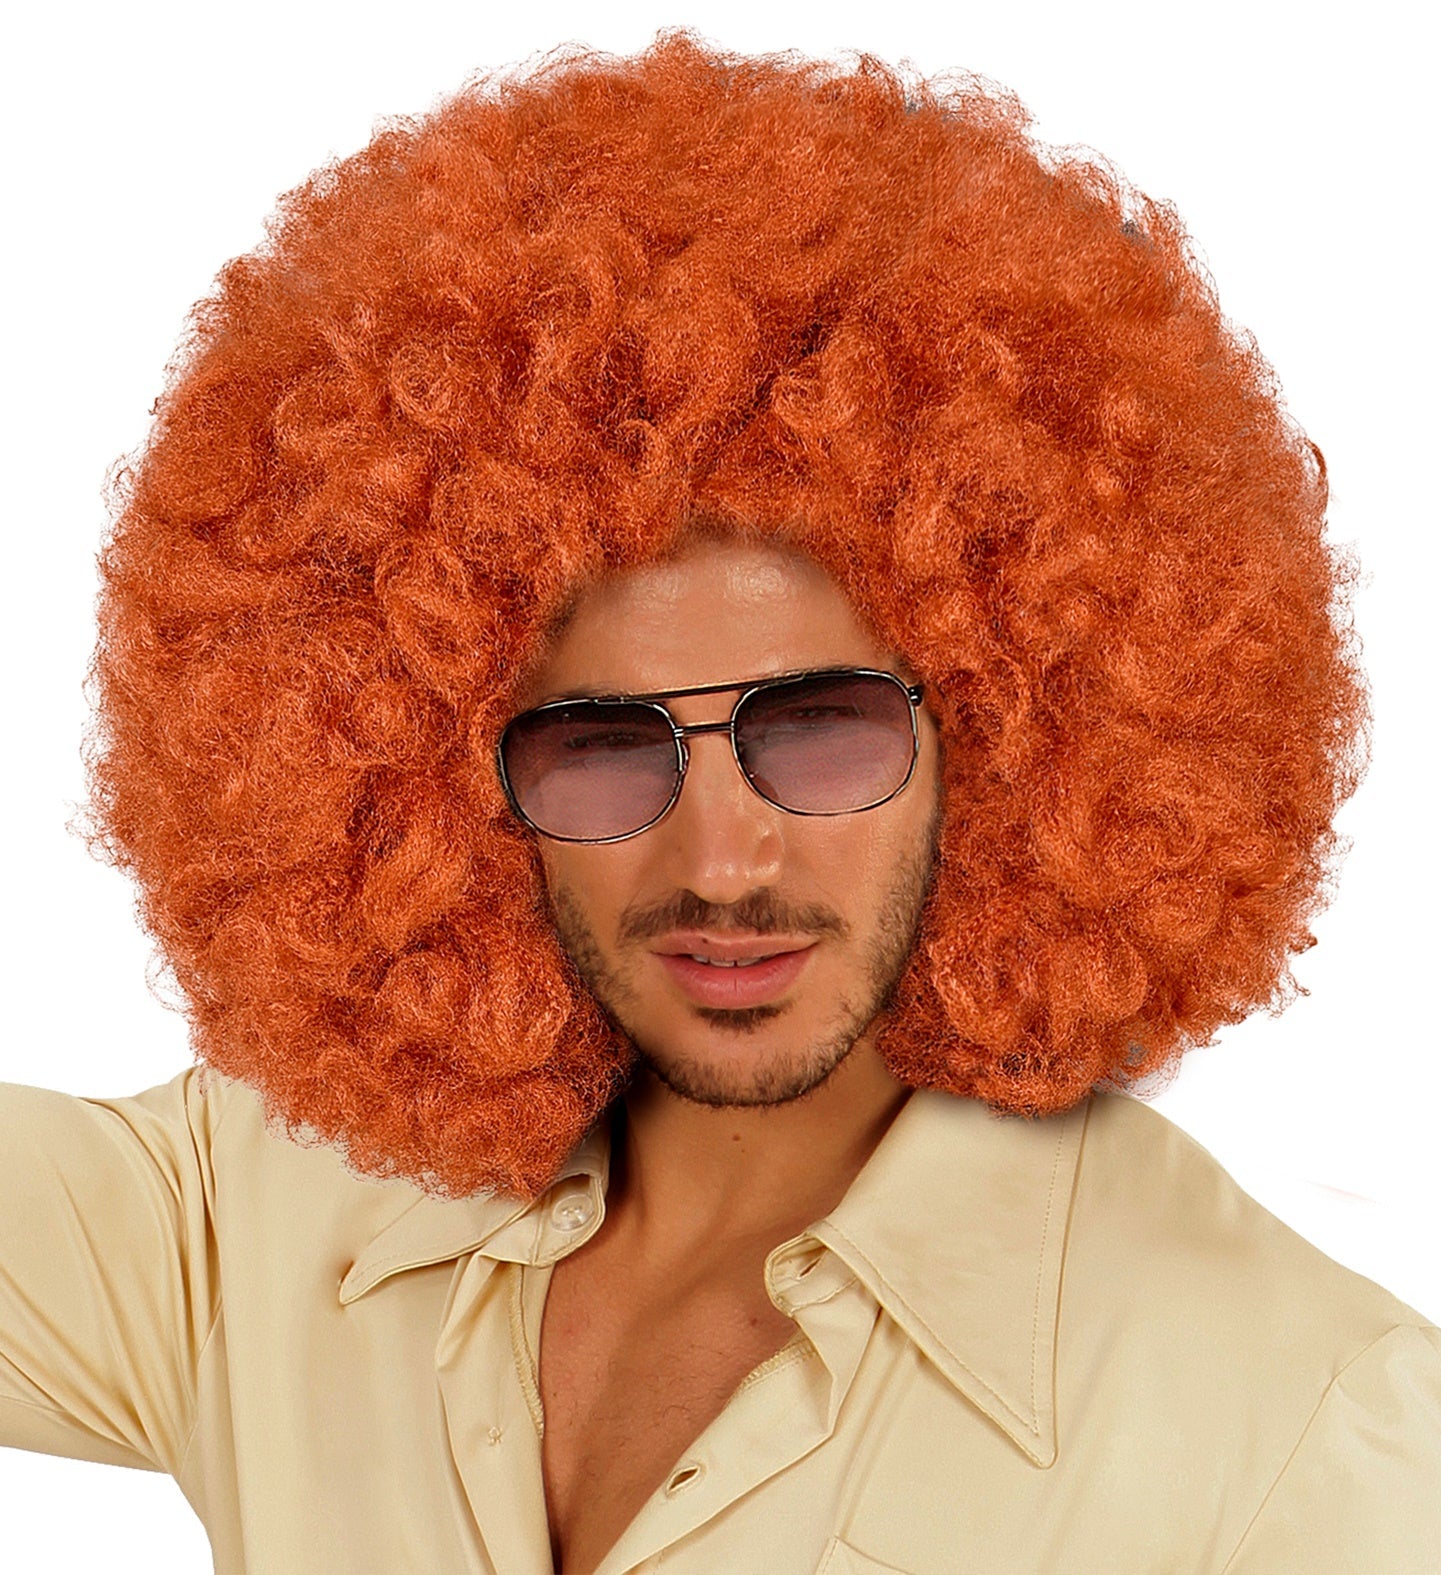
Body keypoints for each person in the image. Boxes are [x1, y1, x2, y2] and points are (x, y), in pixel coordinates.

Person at [2, 28, 1437, 1574]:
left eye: (818, 731)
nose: (723, 856)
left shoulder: (1296, 1431)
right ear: (437, 780)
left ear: (1019, 732)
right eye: (603, 745)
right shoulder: (261, 1220)